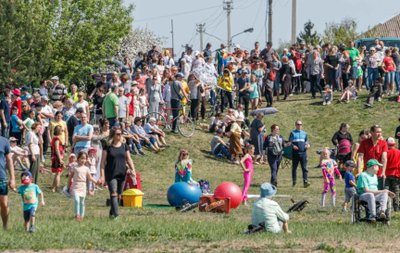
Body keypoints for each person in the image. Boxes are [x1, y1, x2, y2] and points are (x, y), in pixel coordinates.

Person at [99, 127, 136, 219]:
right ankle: (116, 215)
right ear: (113, 135)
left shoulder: (124, 146)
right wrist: (102, 176)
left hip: (122, 173)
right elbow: (102, 162)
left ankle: (112, 213)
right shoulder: (107, 147)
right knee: (113, 193)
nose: (120, 136)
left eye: (121, 134)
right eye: (118, 134)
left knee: (119, 196)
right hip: (111, 173)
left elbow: (129, 159)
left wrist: (133, 170)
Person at [68, 151, 97, 221]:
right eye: (81, 158)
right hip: (75, 186)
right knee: (77, 200)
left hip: (83, 186)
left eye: (84, 158)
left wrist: (97, 182)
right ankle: (77, 215)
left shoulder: (86, 168)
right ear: (78, 159)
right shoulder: (74, 168)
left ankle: (82, 216)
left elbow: (90, 178)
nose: (83, 160)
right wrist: (68, 186)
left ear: (86, 159)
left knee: (82, 202)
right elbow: (70, 177)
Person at [357, 125, 388, 189]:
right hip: (367, 173)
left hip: (379, 173)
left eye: (380, 132)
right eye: (377, 132)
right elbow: (360, 158)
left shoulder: (383, 143)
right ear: (371, 132)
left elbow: (384, 158)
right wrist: (359, 171)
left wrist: (383, 172)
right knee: (367, 193)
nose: (379, 134)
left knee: (378, 193)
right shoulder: (364, 143)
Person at [289, 120, 310, 188]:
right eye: (298, 124)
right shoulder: (292, 133)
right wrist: (293, 146)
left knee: (304, 168)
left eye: (300, 124)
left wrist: (308, 145)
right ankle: (294, 181)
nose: (299, 125)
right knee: (294, 168)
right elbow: (290, 142)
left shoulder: (304, 133)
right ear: (295, 125)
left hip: (303, 153)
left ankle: (305, 182)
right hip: (295, 153)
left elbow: (307, 141)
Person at [0, 135, 15, 230]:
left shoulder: (4, 141)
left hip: (1, 176)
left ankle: (5, 226)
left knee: (4, 204)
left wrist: (12, 178)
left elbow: (9, 160)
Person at [384, 137, 400, 211]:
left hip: (387, 174)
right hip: (396, 174)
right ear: (394, 144)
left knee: (386, 191)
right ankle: (396, 208)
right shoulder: (398, 152)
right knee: (396, 191)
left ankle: (386, 207)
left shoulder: (385, 152)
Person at [50, 125, 64, 193]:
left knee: (58, 173)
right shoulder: (57, 139)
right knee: (58, 173)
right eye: (62, 130)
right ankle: (57, 187)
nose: (62, 131)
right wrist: (60, 158)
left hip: (56, 157)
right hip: (57, 157)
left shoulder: (55, 138)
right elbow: (57, 149)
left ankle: (53, 187)